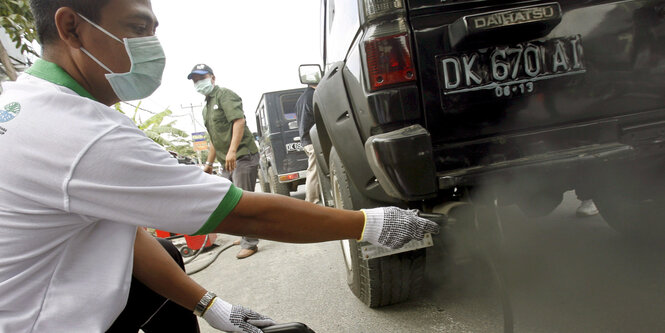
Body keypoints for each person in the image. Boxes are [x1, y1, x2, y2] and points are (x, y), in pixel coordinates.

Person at [0, 1, 439, 332]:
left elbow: (117, 231)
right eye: (136, 28)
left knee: (168, 252)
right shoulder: (83, 134)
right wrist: (371, 223)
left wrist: (211, 306)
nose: (152, 47)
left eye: (153, 31)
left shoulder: (23, 105)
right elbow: (244, 210)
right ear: (71, 27)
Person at [188, 64, 261, 259]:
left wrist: (232, 150)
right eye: (195, 80)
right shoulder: (206, 108)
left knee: (244, 201)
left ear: (212, 78)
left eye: (201, 78)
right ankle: (245, 235)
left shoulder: (225, 95)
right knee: (228, 200)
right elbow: (214, 138)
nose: (198, 83)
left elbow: (239, 121)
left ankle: (250, 242)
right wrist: (209, 165)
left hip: (242, 156)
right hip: (227, 161)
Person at [295, 83, 320, 205]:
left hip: (306, 139)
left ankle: (314, 199)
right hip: (312, 139)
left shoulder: (301, 98)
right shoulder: (313, 95)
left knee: (315, 170)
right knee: (313, 171)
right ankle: (311, 202)